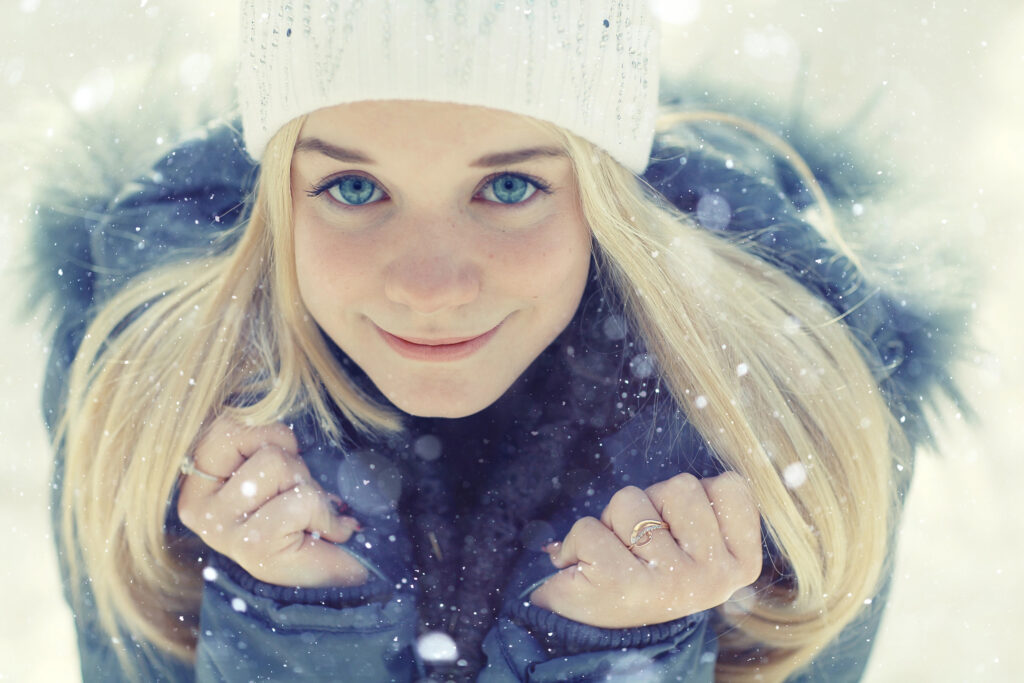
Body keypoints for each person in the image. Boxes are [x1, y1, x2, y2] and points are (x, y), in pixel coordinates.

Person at [34, 1, 961, 681]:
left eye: (509, 188)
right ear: (280, 195)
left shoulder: (790, 411)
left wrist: (615, 650)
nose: (430, 284)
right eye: (354, 189)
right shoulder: (159, 387)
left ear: (605, 196)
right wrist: (293, 608)